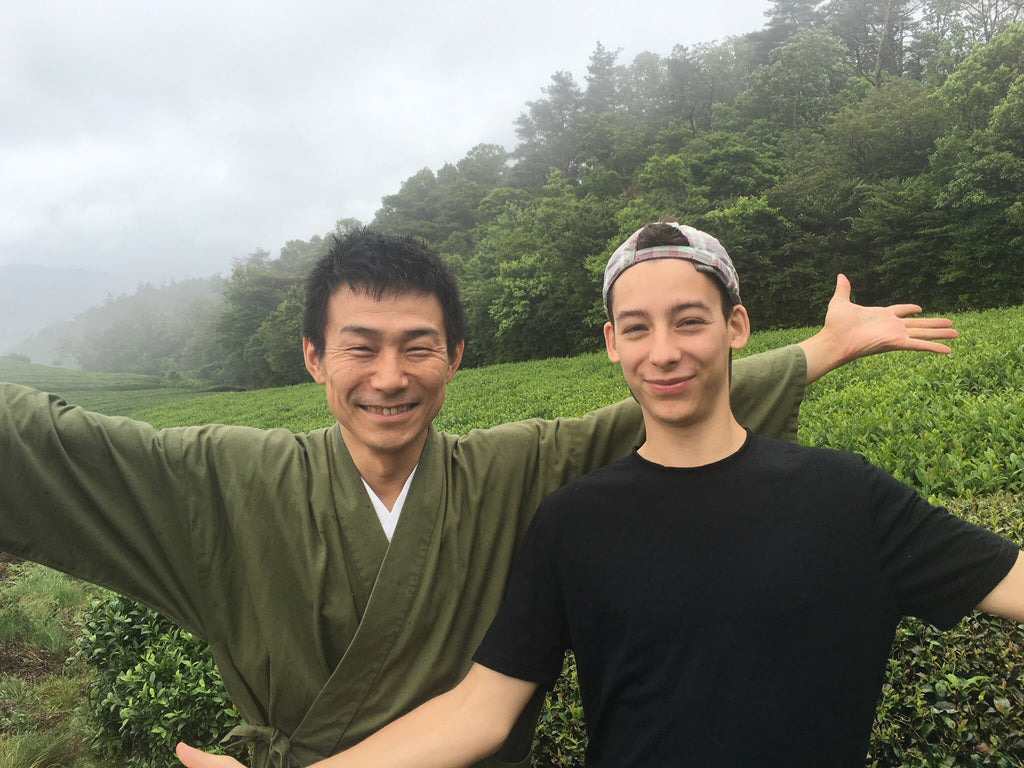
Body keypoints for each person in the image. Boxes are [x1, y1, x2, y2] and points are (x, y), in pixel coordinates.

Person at [0, 228, 957, 768]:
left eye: (418, 346)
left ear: (456, 358)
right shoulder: (221, 481)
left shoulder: (512, 471)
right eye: (359, 347)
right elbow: (58, 447)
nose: (389, 375)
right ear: (311, 359)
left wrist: (824, 349)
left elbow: (654, 407)